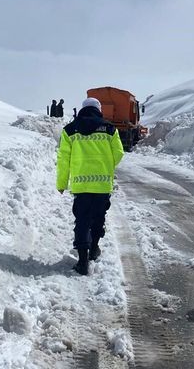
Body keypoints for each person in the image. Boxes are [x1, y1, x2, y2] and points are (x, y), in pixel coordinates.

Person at [56, 97, 125, 275]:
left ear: (83, 109)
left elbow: (63, 159)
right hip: (102, 184)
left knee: (82, 220)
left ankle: (82, 261)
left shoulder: (70, 130)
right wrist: (106, 165)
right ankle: (94, 248)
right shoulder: (110, 129)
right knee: (98, 218)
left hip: (81, 185)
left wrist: (61, 183)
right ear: (99, 109)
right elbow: (119, 153)